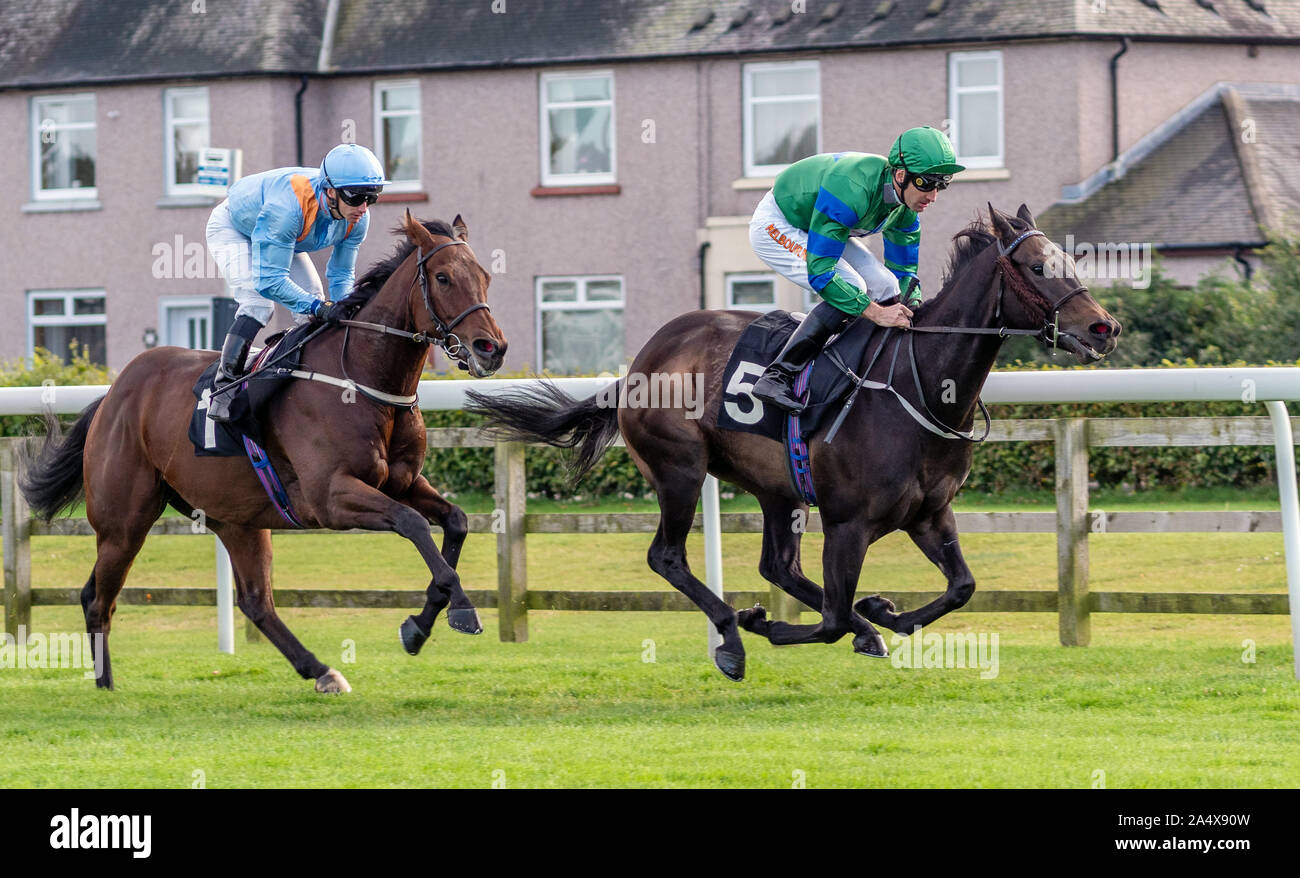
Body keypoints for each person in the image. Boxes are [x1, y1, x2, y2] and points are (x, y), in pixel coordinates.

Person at [748, 126, 964, 414]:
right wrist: (876, 313)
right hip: (779, 223)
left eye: (942, 184)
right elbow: (821, 273)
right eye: (927, 183)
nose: (933, 196)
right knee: (853, 284)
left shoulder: (907, 211)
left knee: (887, 285)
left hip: (820, 223)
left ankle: (859, 362)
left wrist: (914, 314)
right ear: (901, 175)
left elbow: (904, 277)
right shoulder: (852, 188)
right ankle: (777, 376)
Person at [203, 143, 390, 422]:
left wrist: (344, 310)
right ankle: (223, 389)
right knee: (258, 304)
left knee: (312, 300)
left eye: (372, 197)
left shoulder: (357, 217)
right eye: (356, 197)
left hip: (284, 236)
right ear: (330, 191)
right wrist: (321, 307)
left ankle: (311, 383)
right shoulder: (286, 209)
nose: (363, 207)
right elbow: (270, 282)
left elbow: (340, 275)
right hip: (235, 228)